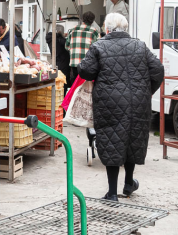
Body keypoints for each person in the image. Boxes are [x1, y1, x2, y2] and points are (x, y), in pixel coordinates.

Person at [76, 13, 164, 201]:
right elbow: (158, 69)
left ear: (106, 29)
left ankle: (112, 193)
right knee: (133, 138)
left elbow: (85, 71)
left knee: (112, 140)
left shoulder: (99, 46)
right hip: (139, 101)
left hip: (109, 101)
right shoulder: (140, 46)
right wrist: (147, 91)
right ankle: (129, 183)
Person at [67, 12, 102, 84]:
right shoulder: (94, 31)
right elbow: (97, 48)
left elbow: (67, 46)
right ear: (93, 21)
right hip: (87, 64)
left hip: (74, 63)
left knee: (75, 86)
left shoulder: (72, 29)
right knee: (86, 87)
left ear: (82, 19)